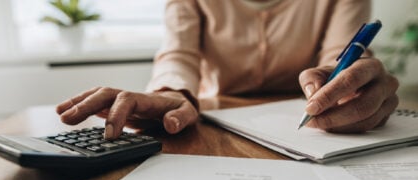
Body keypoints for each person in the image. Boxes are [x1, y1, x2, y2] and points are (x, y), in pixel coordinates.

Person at [56, 0, 399, 139]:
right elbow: (179, 55)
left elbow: (341, 56)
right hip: (215, 123)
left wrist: (349, 83)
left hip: (306, 125)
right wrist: (170, 92)